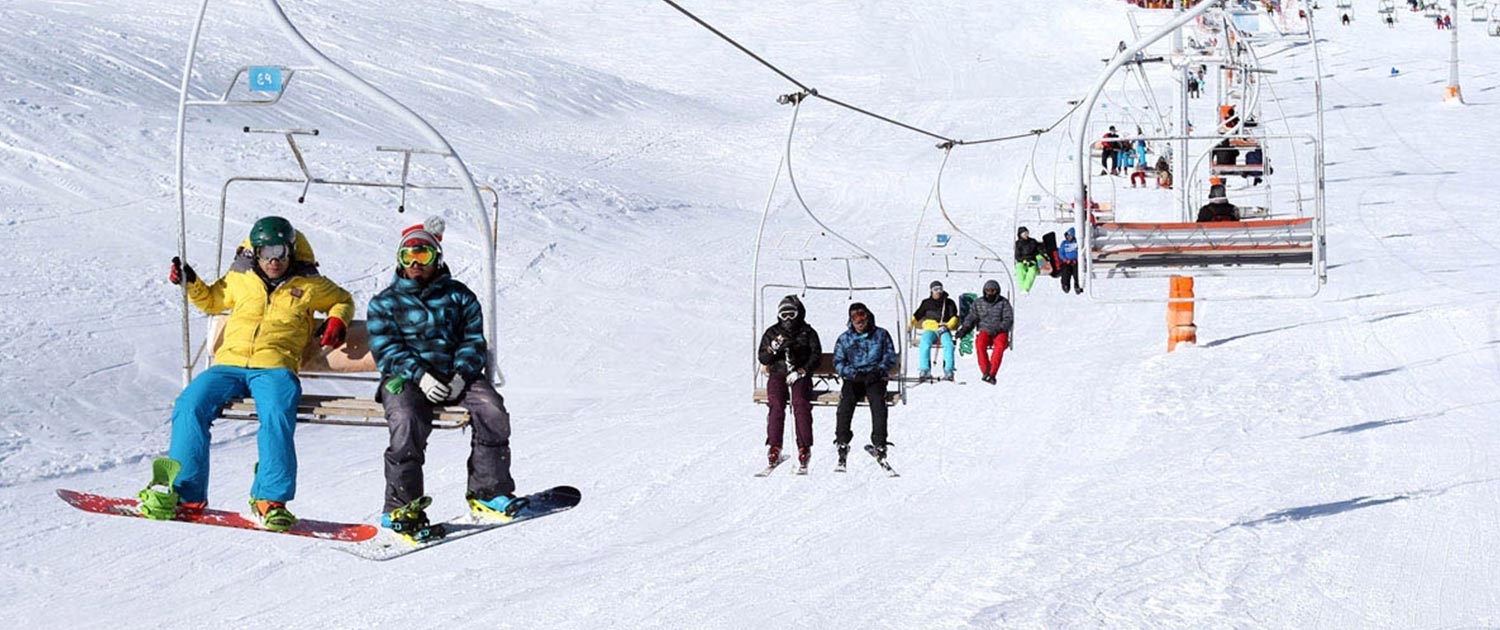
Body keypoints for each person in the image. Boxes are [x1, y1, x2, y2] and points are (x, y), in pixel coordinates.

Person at [150, 216, 354, 531]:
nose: (274, 260)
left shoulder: (310, 284)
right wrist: (190, 282)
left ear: (291, 251)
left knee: (276, 414)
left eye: (280, 251)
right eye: (266, 251)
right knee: (189, 405)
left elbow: (342, 299)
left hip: (274, 366)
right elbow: (212, 300)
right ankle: (185, 495)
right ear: (255, 252)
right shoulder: (240, 278)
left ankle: (269, 500)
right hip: (229, 364)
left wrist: (337, 319)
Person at [368, 217, 518, 538]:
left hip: (455, 375)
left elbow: (473, 341)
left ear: (437, 258)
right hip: (404, 379)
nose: (415, 264)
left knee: (491, 409)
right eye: (408, 257)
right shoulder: (385, 302)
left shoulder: (459, 296)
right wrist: (420, 376)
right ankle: (401, 505)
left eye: (422, 256)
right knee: (407, 420)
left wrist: (462, 375)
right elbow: (386, 348)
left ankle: (488, 492)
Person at [757, 295, 821, 468]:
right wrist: (772, 349)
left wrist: (803, 370)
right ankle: (774, 445)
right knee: (776, 403)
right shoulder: (772, 332)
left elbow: (816, 355)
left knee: (800, 402)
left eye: (791, 314)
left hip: (799, 374)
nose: (787, 319)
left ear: (798, 314)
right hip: (778, 372)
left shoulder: (807, 332)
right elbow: (762, 356)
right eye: (784, 314)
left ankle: (804, 445)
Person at [833, 303, 897, 467]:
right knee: (846, 401)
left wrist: (878, 371)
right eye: (855, 317)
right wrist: (853, 374)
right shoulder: (845, 339)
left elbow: (889, 356)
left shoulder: (881, 335)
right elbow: (838, 362)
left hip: (874, 377)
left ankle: (879, 443)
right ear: (851, 320)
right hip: (855, 377)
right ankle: (842, 440)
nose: (860, 321)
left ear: (868, 316)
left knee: (878, 402)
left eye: (862, 316)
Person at [954, 280, 1014, 385]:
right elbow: (972, 317)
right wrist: (964, 329)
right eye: (987, 291)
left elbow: (1008, 319)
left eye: (992, 291)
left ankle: (991, 373)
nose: (989, 293)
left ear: (997, 291)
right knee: (980, 344)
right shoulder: (978, 303)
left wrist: (999, 329)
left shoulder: (1003, 303)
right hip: (985, 330)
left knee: (999, 346)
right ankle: (986, 372)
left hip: (999, 331)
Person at [910, 281, 959, 382]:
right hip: (930, 328)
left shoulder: (949, 303)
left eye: (940, 289)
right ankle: (925, 369)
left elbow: (954, 317)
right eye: (935, 289)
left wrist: (948, 326)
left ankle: (948, 370)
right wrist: (910, 325)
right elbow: (917, 315)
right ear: (931, 291)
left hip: (943, 328)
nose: (938, 292)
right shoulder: (926, 303)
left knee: (949, 344)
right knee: (925, 343)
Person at [1014, 227, 1046, 293]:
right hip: (1022, 261)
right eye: (1024, 234)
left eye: (1026, 233)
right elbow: (1017, 256)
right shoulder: (1018, 243)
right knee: (1020, 270)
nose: (1025, 235)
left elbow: (1038, 249)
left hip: (1032, 260)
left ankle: (1025, 288)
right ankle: (1023, 288)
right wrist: (1023, 260)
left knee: (1032, 271)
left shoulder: (1032, 241)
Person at [1057, 228, 1082, 295]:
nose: (1069, 237)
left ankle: (1078, 285)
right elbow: (1061, 253)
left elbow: (1080, 251)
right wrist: (1065, 259)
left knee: (1077, 272)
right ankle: (1065, 285)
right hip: (1066, 261)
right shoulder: (1064, 243)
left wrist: (1076, 259)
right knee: (1065, 271)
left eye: (1070, 235)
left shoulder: (1077, 242)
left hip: (1075, 261)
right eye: (1068, 235)